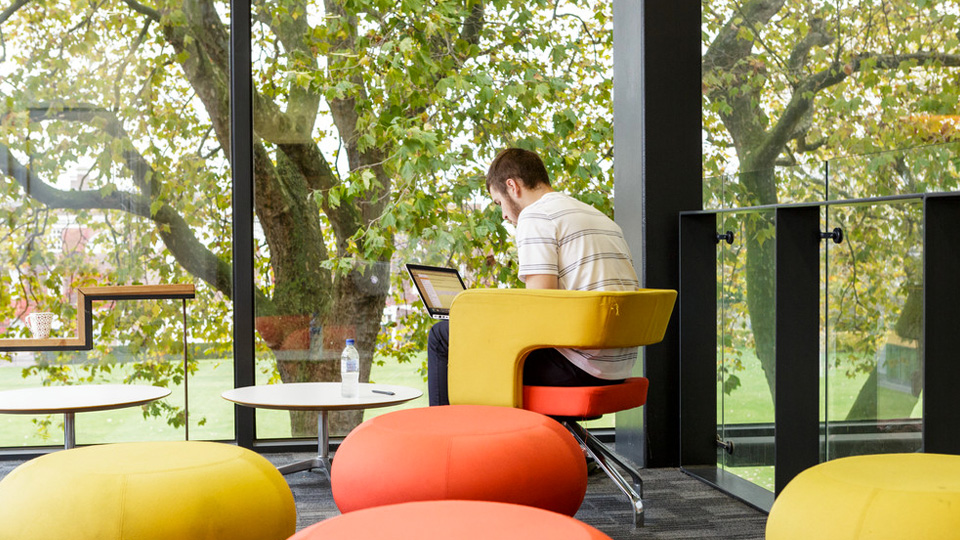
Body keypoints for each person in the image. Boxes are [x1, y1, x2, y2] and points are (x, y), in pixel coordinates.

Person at [427, 148, 641, 406]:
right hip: (618, 366)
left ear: (512, 186)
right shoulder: (601, 218)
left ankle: (444, 435)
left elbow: (539, 312)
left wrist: (484, 317)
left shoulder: (535, 215)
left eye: (499, 203)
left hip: (579, 366)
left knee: (442, 336)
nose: (504, 215)